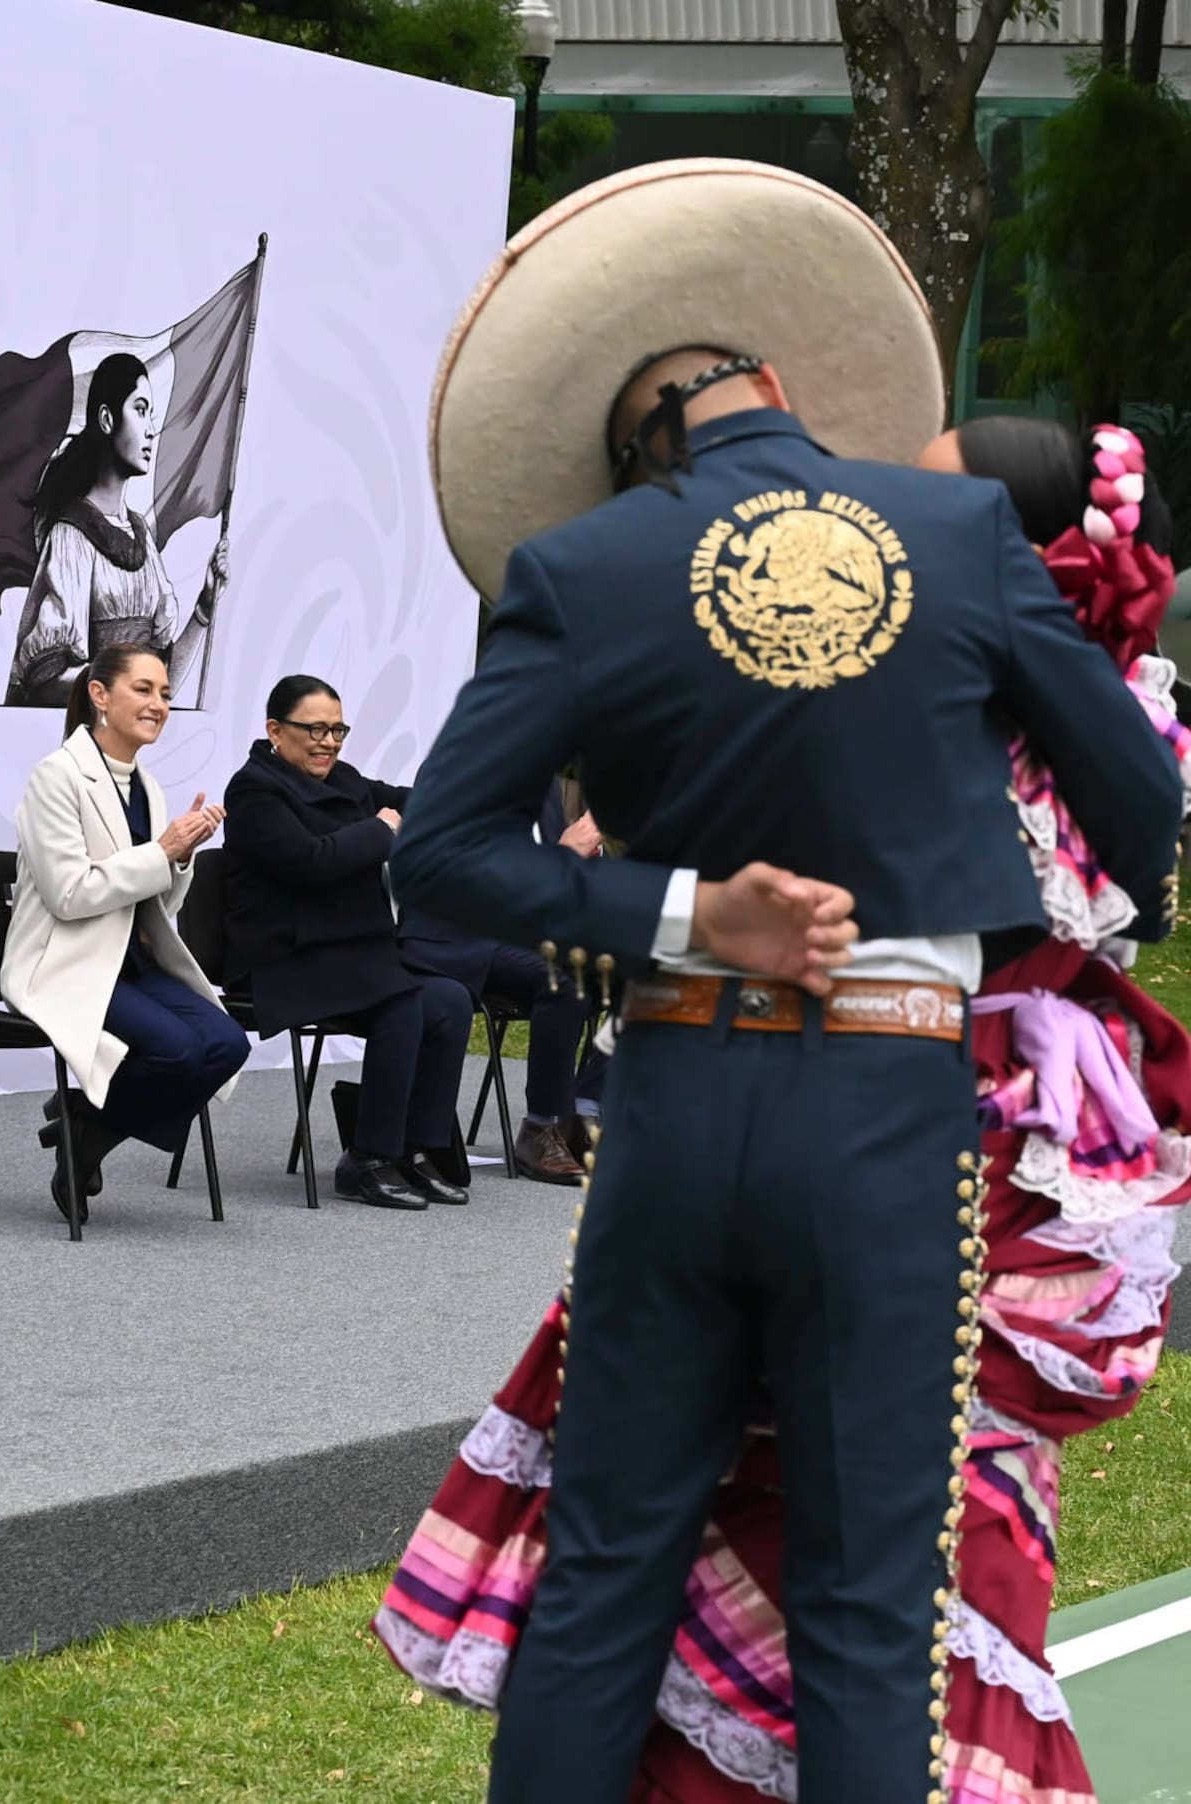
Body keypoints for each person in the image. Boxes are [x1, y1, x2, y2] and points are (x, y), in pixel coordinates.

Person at [379, 160, 1185, 1804]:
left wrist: (688, 911)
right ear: (786, 386)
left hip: (678, 1094)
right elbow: (1137, 797)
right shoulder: (957, 529)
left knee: (606, 1573)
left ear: (636, 448)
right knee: (867, 1605)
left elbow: (442, 855)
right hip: (887, 1101)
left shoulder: (586, 568)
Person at [0, 643, 249, 1223]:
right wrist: (161, 852)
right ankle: (84, 1128)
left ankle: (86, 1127)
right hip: (65, 962)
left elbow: (155, 905)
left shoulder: (147, 787)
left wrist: (180, 859)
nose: (159, 703)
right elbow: (69, 895)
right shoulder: (57, 777)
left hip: (129, 961)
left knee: (228, 1045)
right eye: (143, 689)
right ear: (99, 695)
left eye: (165, 693)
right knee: (178, 1050)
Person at [221, 675, 473, 1211]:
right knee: (399, 1004)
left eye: (337, 730)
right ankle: (368, 1159)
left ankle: (418, 1149)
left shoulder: (345, 779)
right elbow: (309, 864)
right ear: (275, 731)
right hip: (283, 955)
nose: (329, 742)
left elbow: (402, 801)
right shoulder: (253, 791)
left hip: (347, 950)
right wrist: (380, 831)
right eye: (315, 729)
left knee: (449, 1001)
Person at [398, 778, 605, 1183]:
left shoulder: (544, 784)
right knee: (563, 979)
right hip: (455, 934)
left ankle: (584, 1111)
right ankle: (541, 1128)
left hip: (524, 935)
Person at [5, 353, 228, 707]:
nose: (151, 429)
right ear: (107, 419)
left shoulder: (141, 538)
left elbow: (161, 683)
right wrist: (126, 684)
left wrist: (205, 606)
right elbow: (46, 682)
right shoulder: (71, 536)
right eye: (140, 410)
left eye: (151, 414)